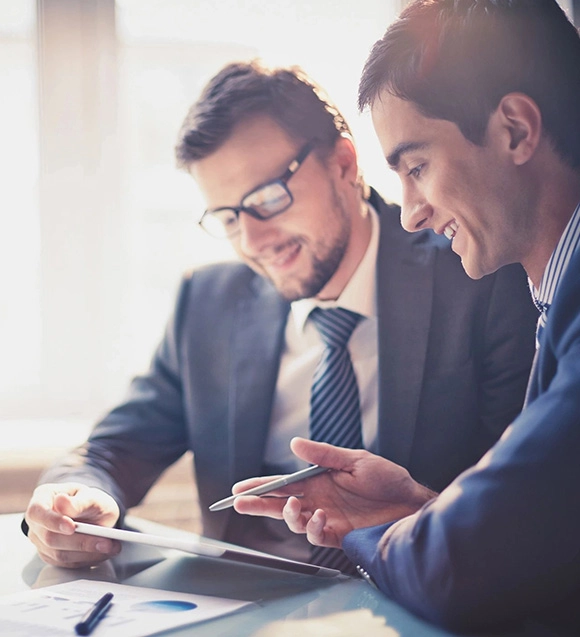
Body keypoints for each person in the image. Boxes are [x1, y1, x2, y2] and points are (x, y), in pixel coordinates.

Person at [23, 60, 537, 575]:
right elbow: (116, 447)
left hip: (411, 599)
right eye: (227, 217)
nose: (252, 241)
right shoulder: (208, 302)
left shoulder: (478, 274)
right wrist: (75, 495)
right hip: (242, 611)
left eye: (267, 198)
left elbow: (517, 506)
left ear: (342, 163)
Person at [233, 2, 580, 634]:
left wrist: (385, 530)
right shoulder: (556, 298)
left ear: (516, 131)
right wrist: (421, 508)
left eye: (416, 168)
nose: (411, 214)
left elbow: (460, 567)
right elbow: (548, 532)